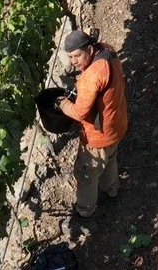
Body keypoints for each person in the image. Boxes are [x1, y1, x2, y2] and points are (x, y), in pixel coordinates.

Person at [58, 28, 128, 219]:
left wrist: (62, 103)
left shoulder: (91, 77)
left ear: (89, 49)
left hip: (98, 136)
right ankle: (112, 189)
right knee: (110, 157)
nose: (74, 62)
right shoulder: (108, 51)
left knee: (87, 173)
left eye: (77, 56)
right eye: (70, 57)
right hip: (117, 124)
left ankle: (85, 210)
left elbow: (80, 112)